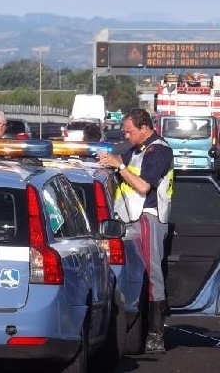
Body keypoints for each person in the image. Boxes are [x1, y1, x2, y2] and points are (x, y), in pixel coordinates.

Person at [98, 108, 174, 354]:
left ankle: (156, 334)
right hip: (129, 218)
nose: (127, 136)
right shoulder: (137, 150)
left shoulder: (159, 150)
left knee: (153, 276)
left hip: (149, 217)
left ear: (144, 128)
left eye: (129, 132)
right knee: (137, 275)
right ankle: (138, 328)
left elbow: (142, 186)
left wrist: (120, 167)